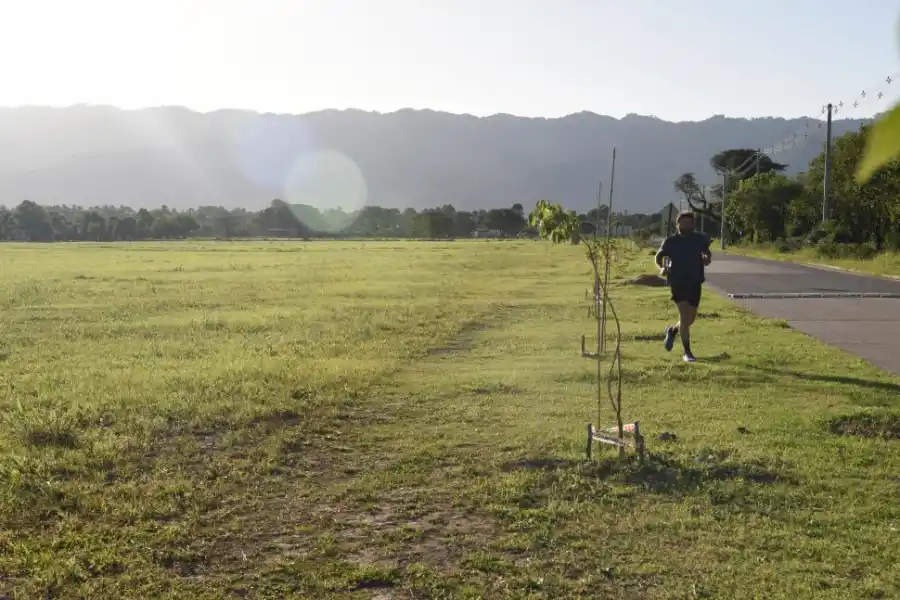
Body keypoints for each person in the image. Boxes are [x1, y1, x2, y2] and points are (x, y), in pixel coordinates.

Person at [654, 211, 712, 363]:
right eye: (683, 223)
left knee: (689, 319)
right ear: (677, 225)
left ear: (693, 225)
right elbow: (659, 257)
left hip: (695, 282)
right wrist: (662, 267)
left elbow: (707, 254)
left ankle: (672, 331)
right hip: (677, 282)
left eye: (689, 223)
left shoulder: (700, 239)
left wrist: (706, 259)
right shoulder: (670, 241)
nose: (686, 226)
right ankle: (687, 352)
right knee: (684, 316)